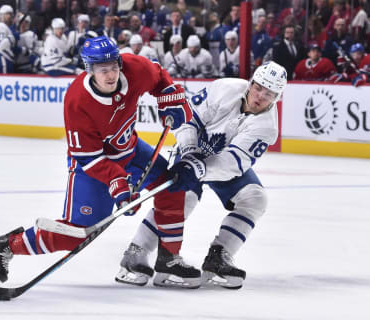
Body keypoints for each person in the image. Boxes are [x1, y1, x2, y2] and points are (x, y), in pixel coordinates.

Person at [0, 36, 199, 289]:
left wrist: (170, 98)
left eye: (114, 67)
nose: (111, 74)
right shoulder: (77, 100)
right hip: (93, 167)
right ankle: (7, 246)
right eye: (103, 70)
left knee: (172, 186)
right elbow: (89, 157)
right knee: (79, 234)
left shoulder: (134, 68)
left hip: (132, 150)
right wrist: (118, 183)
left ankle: (168, 260)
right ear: (90, 69)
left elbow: (159, 76)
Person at [117, 61, 287, 289]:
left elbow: (233, 162)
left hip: (220, 164)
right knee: (182, 197)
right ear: (251, 83)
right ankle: (136, 251)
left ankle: (219, 256)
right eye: (258, 88)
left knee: (255, 198)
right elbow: (189, 118)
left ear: (276, 98)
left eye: (269, 94)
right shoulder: (225, 87)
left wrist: (199, 168)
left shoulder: (267, 127)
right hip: (192, 148)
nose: (259, 97)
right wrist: (188, 153)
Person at [0, 5, 27, 74]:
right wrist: (13, 37)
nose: (10, 16)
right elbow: (1, 46)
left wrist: (21, 49)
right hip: (2, 58)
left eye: (11, 14)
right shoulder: (0, 26)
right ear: (2, 15)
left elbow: (11, 47)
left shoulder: (8, 28)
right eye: (7, 14)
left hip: (8, 59)